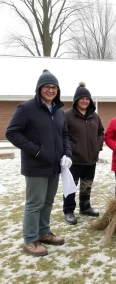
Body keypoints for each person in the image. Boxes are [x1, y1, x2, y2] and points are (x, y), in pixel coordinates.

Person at [6, 69, 72, 257]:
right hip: (35, 165)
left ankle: (44, 232)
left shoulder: (59, 111)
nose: (51, 90)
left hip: (55, 165)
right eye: (47, 87)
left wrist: (67, 153)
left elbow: (65, 134)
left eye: (54, 87)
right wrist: (36, 150)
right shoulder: (26, 108)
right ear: (39, 88)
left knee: (48, 201)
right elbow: (12, 132)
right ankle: (30, 239)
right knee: (35, 203)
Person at [63, 82, 104, 225]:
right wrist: (72, 148)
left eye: (87, 98)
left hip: (91, 158)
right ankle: (68, 211)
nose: (85, 101)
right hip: (74, 159)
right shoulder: (67, 115)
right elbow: (63, 135)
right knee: (70, 187)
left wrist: (98, 146)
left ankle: (85, 207)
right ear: (76, 100)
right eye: (82, 98)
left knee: (87, 184)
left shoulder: (94, 116)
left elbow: (101, 132)